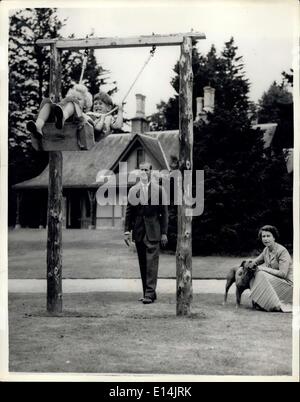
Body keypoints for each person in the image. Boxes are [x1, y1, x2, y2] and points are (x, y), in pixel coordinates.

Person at [124, 162, 168, 304]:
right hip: (138, 233)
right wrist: (126, 231)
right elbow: (129, 212)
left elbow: (164, 213)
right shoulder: (133, 191)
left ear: (151, 172)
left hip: (154, 232)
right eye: (141, 169)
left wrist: (164, 233)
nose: (143, 172)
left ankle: (149, 294)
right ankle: (147, 293)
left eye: (146, 169)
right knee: (143, 264)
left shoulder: (159, 190)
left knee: (152, 264)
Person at [249, 225, 293, 312]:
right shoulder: (266, 250)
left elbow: (283, 274)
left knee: (261, 273)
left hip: (288, 285)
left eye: (268, 236)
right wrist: (247, 265)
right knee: (254, 272)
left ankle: (271, 304)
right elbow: (256, 262)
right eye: (263, 236)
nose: (265, 239)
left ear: (274, 238)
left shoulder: (282, 251)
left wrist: (264, 269)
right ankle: (259, 301)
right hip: (276, 282)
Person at [26, 83, 93, 139]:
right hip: (55, 121)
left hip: (72, 121)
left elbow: (90, 123)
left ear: (85, 104)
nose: (75, 100)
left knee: (72, 104)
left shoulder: (83, 114)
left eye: (79, 99)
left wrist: (86, 119)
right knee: (47, 103)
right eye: (72, 97)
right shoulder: (65, 106)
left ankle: (62, 117)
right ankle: (38, 126)